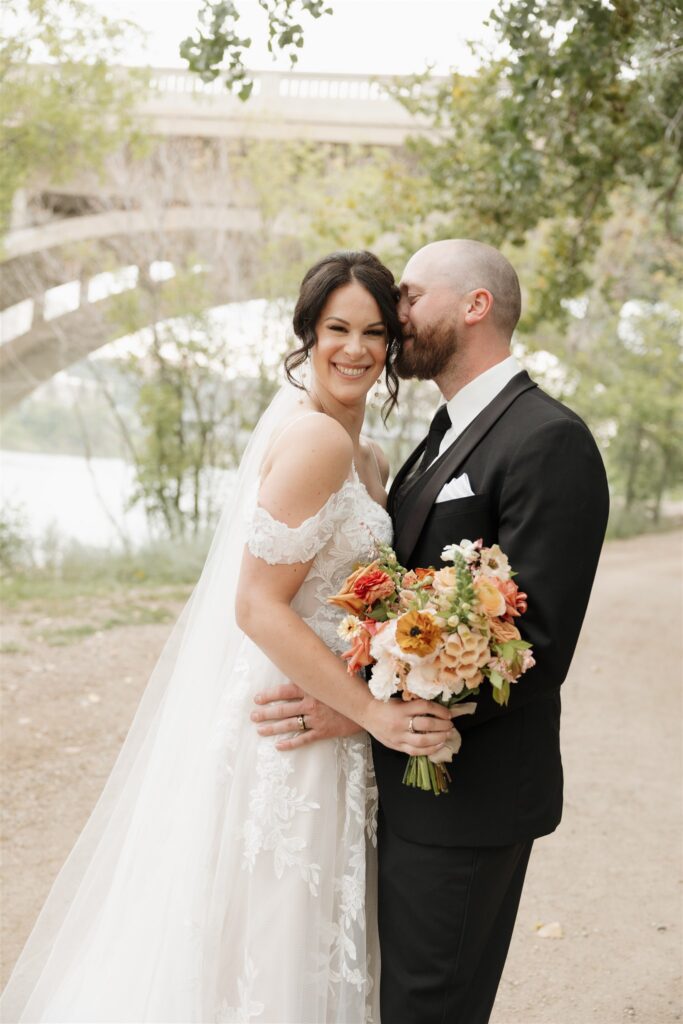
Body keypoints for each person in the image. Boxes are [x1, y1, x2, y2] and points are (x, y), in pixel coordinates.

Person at [0, 250, 456, 1024]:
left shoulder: (367, 455)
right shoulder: (317, 442)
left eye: (373, 331)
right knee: (275, 940)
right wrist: (376, 713)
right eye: (335, 327)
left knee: (297, 935)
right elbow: (256, 606)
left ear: (390, 346)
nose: (354, 348)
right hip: (291, 726)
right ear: (305, 335)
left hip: (327, 718)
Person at [252, 239, 610, 1024]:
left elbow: (535, 647)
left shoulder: (548, 440)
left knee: (427, 1007)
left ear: (473, 306)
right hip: (403, 788)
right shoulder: (439, 436)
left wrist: (355, 709)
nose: (392, 314)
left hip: (467, 797)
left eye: (408, 299)